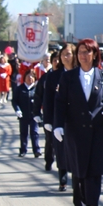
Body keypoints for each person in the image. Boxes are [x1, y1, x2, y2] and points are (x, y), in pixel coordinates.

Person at [53, 39, 103, 206]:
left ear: (94, 54)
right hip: (75, 128)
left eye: (87, 52)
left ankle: (93, 203)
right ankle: (79, 197)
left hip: (98, 128)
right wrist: (57, 126)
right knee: (79, 166)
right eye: (80, 52)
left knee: (95, 166)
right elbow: (60, 103)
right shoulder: (68, 77)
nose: (83, 55)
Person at [44, 44, 76, 192]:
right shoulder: (53, 76)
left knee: (76, 152)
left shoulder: (80, 73)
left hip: (77, 119)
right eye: (63, 55)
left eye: (68, 54)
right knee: (61, 150)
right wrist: (48, 121)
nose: (65, 57)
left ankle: (78, 181)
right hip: (59, 118)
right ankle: (62, 177)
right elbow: (48, 100)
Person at [12, 70, 41, 157]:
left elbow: (42, 101)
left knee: (34, 132)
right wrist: (17, 110)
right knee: (24, 133)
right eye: (28, 76)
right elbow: (14, 101)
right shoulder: (20, 88)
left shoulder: (37, 89)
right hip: (23, 115)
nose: (30, 78)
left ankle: (36, 150)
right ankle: (23, 150)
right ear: (24, 77)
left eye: (32, 76)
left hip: (34, 115)